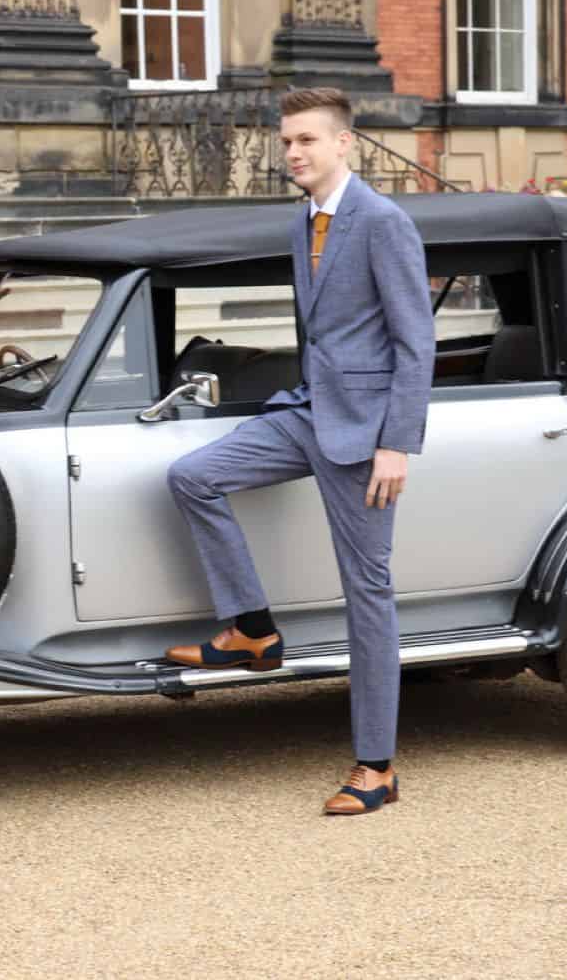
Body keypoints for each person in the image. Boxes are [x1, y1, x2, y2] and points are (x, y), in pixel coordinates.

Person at [163, 86, 434, 817]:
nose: (294, 153)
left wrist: (396, 444)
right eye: (287, 142)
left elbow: (416, 342)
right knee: (192, 475)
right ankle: (254, 629)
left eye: (307, 140)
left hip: (365, 435)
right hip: (308, 413)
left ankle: (377, 766)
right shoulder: (304, 221)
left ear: (344, 143)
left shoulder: (383, 221)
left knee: (366, 593)